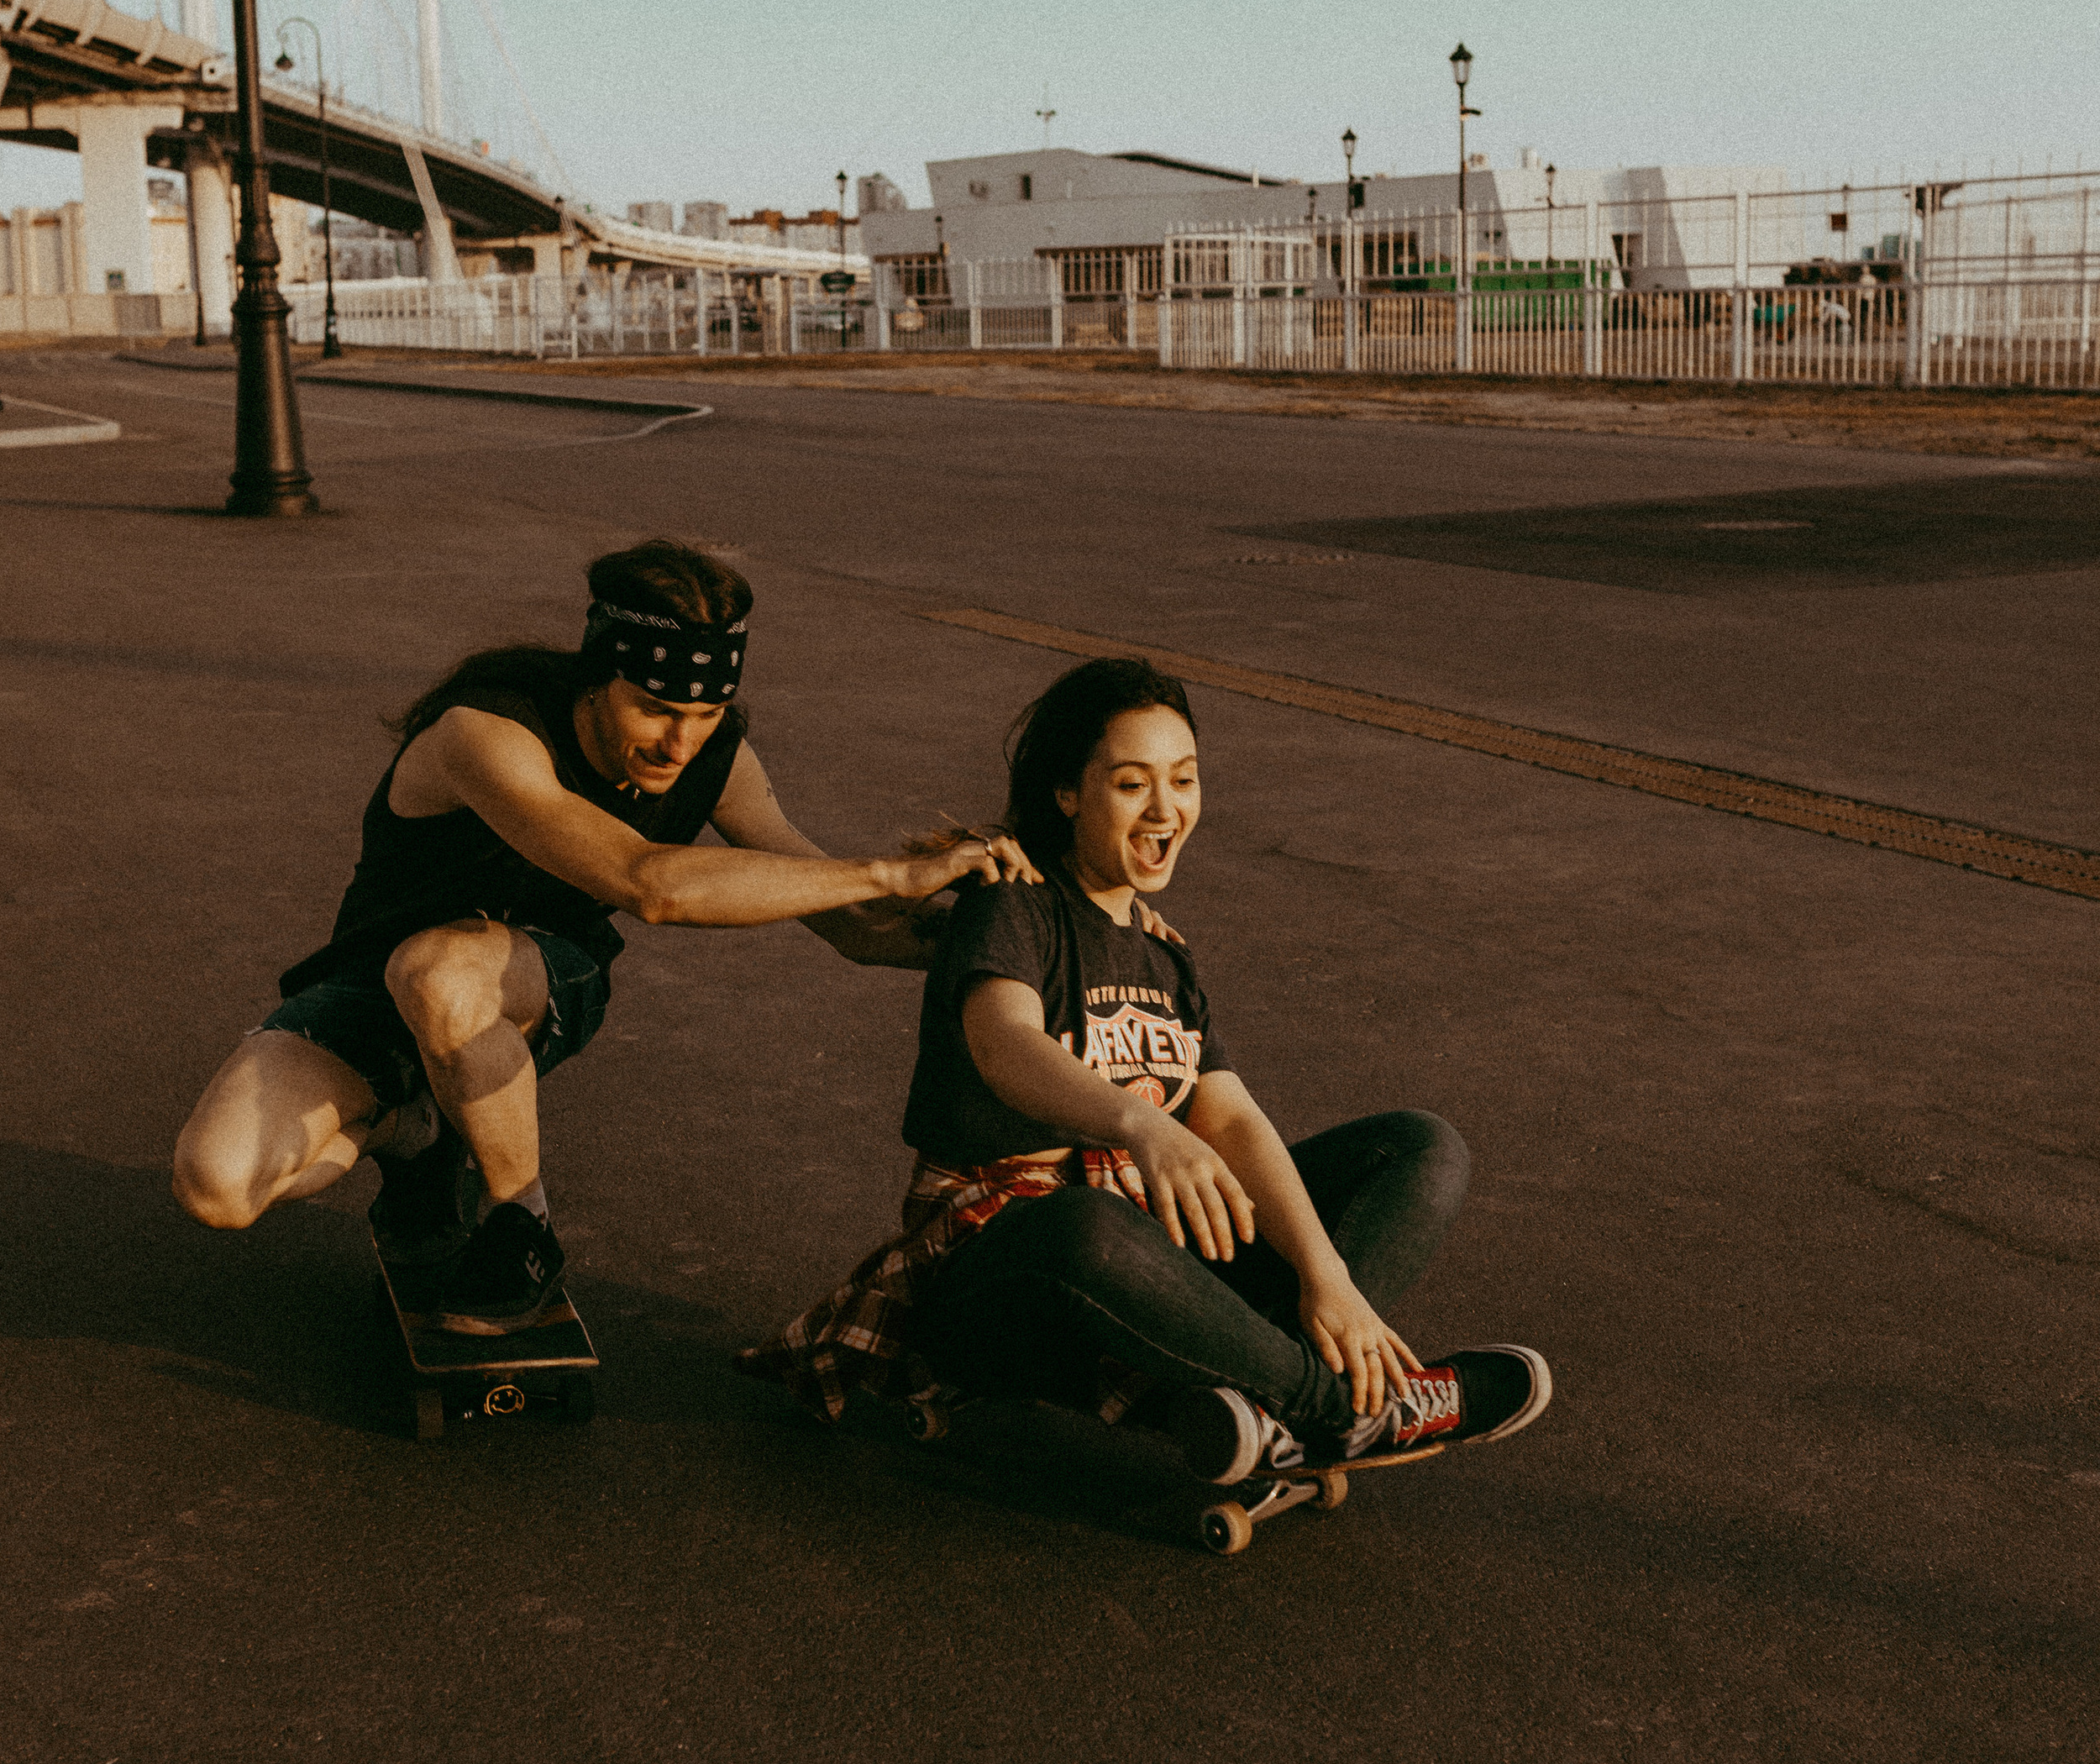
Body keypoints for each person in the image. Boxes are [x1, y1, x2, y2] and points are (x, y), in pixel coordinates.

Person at [173, 536, 1019, 1335]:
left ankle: (519, 1225)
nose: (681, 740)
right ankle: (415, 1131)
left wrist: (1015, 933)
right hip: (366, 989)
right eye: (654, 709)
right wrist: (885, 870)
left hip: (535, 981)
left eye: (708, 709)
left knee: (438, 973)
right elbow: (647, 884)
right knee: (218, 1187)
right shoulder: (488, 733)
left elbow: (854, 928)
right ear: (597, 679)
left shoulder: (717, 756)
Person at [741, 656, 1551, 1487]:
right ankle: (1346, 1409)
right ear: (1068, 793)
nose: (1167, 810)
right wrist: (1141, 1124)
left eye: (1184, 779)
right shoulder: (1014, 905)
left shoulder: (1164, 953)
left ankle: (1263, 1408)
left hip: (1154, 1263)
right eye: (1132, 784)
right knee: (1087, 1222)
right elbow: (1004, 1042)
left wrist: (1326, 1277)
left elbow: (1230, 1120)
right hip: (1006, 1282)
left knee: (1420, 1148)